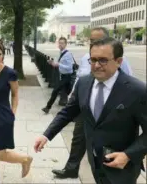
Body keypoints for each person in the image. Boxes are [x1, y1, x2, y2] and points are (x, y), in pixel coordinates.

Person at [34, 37, 147, 184]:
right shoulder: (83, 83)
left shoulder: (137, 90)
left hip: (122, 168)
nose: (96, 65)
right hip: (94, 161)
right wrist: (47, 135)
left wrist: (128, 155)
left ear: (119, 61)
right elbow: (68, 112)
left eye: (103, 60)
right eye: (93, 60)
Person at [52, 27, 134, 179]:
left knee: (106, 146)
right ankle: (71, 168)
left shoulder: (119, 60)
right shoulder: (86, 58)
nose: (93, 43)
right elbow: (80, 78)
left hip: (108, 111)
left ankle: (109, 171)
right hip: (86, 105)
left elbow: (128, 82)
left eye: (97, 40)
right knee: (78, 138)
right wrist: (73, 95)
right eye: (91, 40)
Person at [0, 42, 33, 178]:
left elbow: (15, 94)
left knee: (0, 154)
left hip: (2, 116)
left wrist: (12, 113)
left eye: (0, 54)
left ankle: (25, 159)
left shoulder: (10, 73)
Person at [42, 37, 76, 113]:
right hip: (63, 76)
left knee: (55, 91)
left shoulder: (68, 54)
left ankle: (47, 107)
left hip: (67, 77)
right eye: (59, 43)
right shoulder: (61, 53)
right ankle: (74, 111)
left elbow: (70, 67)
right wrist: (52, 62)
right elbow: (58, 64)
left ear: (66, 44)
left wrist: (58, 64)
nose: (60, 44)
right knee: (70, 94)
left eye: (62, 43)